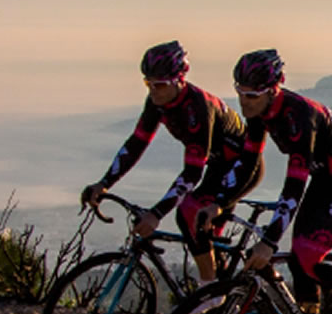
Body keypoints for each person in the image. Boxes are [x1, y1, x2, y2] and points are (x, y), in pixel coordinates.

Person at [198, 48, 332, 314]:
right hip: (325, 180)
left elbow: (293, 187)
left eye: (251, 94)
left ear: (273, 89)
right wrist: (218, 203)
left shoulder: (297, 118)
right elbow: (247, 164)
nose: (243, 101)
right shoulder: (258, 114)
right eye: (239, 92)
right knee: (297, 259)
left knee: (308, 254)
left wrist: (267, 241)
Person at [81, 40, 264, 294]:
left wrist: (156, 214)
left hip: (243, 168)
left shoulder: (198, 107)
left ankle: (209, 294)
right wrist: (104, 183)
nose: (152, 89)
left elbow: (192, 173)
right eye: (147, 82)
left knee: (188, 212)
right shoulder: (158, 102)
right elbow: (136, 144)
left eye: (159, 84)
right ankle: (221, 304)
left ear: (179, 79)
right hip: (219, 166)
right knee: (205, 240)